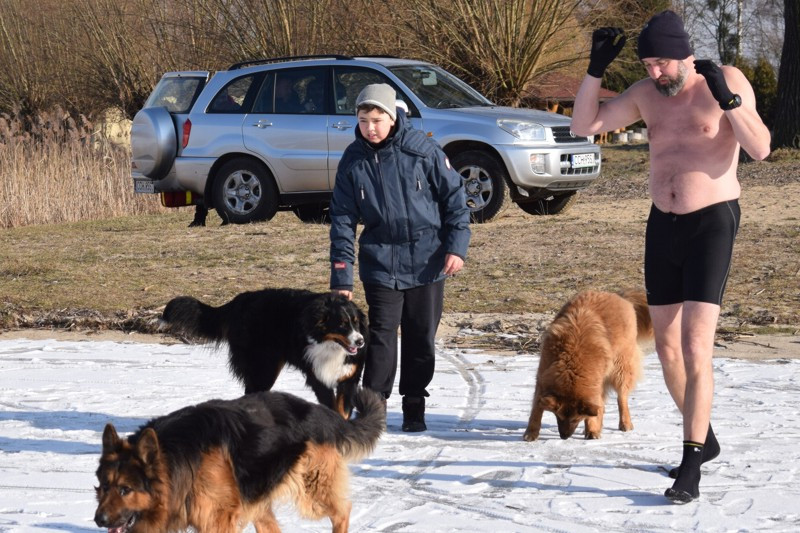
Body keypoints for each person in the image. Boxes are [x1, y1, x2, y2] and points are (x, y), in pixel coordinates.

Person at [571, 10, 770, 503]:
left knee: (697, 345)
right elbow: (582, 125)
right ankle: (706, 437)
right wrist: (595, 70)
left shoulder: (723, 81)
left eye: (662, 63)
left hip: (712, 222)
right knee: (665, 348)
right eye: (648, 64)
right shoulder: (645, 94)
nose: (655, 72)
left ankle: (690, 465)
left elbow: (761, 148)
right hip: (663, 224)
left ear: (684, 54)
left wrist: (730, 99)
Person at [329, 83, 471, 432]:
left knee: (421, 334)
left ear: (393, 117)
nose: (370, 127)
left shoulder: (423, 150)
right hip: (380, 261)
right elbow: (343, 220)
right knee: (380, 334)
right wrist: (342, 276)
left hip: (428, 259)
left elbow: (455, 199)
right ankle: (373, 406)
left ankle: (414, 404)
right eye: (363, 120)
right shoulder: (353, 159)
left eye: (377, 119)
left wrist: (456, 246)